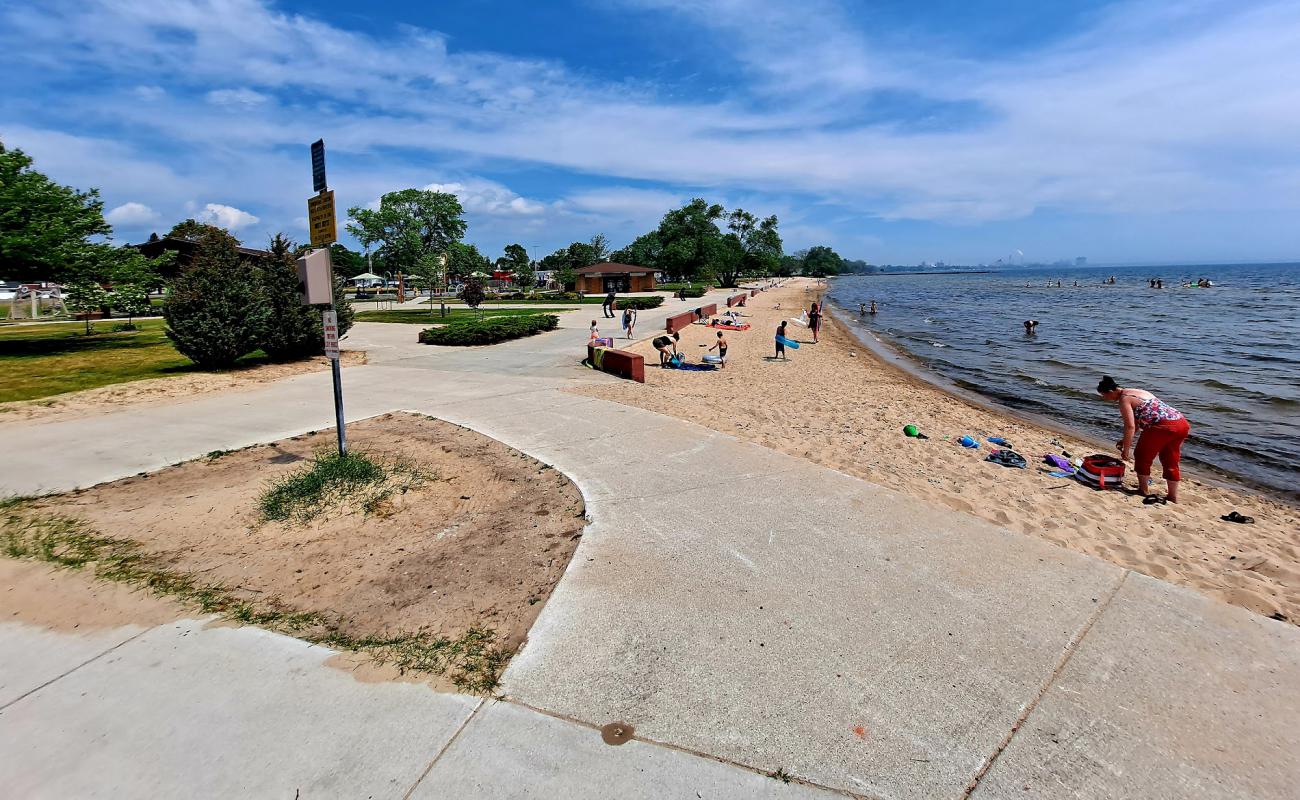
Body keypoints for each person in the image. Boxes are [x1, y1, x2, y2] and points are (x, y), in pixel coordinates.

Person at [1096, 376, 1191, 503]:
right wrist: (1124, 441)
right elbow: (1137, 422)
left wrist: (1126, 450)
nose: (1105, 399)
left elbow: (1130, 426)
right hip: (1181, 423)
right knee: (1170, 460)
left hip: (1162, 426)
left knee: (1141, 456)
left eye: (1104, 395)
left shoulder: (1124, 400)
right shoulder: (1136, 391)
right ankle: (1172, 496)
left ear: (1111, 391)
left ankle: (1143, 489)